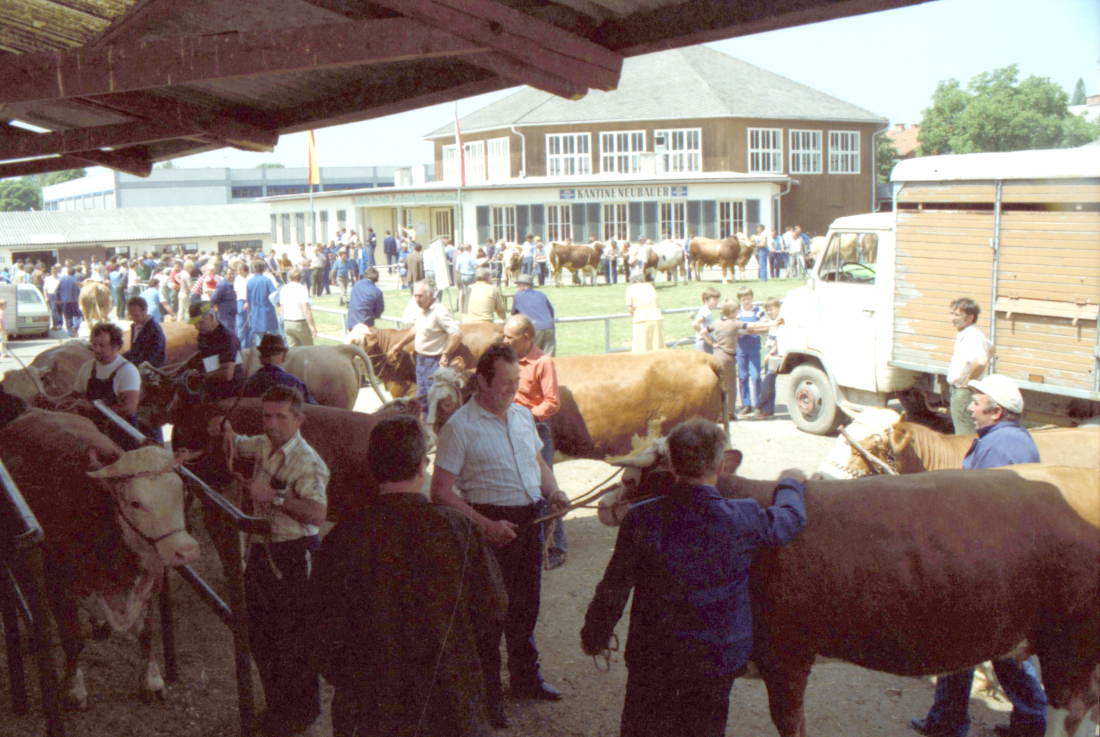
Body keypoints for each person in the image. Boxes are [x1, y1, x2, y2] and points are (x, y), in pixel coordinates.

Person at [581, 419, 807, 737]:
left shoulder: (641, 519)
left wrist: (595, 635)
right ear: (720, 465)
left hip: (653, 655)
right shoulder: (745, 516)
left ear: (672, 464)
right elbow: (791, 518)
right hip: (715, 661)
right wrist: (790, 482)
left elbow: (614, 588)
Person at [310, 415, 507, 736]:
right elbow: (493, 609)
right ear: (422, 466)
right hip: (451, 703)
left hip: (371, 709)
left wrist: (354, 680)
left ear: (372, 467)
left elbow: (322, 629)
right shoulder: (458, 530)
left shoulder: (341, 539)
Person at [430, 343, 571, 726]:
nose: (513, 389)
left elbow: (538, 463)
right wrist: (485, 526)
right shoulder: (459, 427)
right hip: (487, 529)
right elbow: (440, 493)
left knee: (526, 608)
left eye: (516, 381)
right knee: (489, 615)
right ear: (481, 381)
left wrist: (554, 492)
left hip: (529, 523)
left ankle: (526, 679)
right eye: (505, 383)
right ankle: (488, 694)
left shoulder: (524, 416)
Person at [909, 374, 1046, 737]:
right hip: (996, 564)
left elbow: (987, 512)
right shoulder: (1004, 439)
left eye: (976, 401)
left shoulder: (1001, 448)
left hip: (990, 569)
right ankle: (1015, 722)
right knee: (978, 648)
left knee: (983, 649)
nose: (969, 406)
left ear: (996, 411)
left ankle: (1022, 722)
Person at [208, 386, 327, 737]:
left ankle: (301, 715)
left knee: (294, 638)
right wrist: (224, 429)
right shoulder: (262, 443)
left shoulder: (308, 461)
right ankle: (278, 706)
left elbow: (317, 514)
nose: (272, 423)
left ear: (299, 419)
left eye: (281, 416)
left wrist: (274, 498)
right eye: (267, 415)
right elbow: (239, 440)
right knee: (259, 633)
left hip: (294, 553)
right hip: (262, 550)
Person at [502, 314, 567, 569]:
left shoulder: (543, 362)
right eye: (503, 335)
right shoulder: (506, 359)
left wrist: (524, 416)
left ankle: (557, 546)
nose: (504, 340)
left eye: (510, 337)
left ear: (526, 337)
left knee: (544, 487)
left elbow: (552, 403)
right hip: (506, 426)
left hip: (536, 429)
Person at [387, 280, 461, 415]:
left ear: (431, 294)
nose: (417, 299)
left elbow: (456, 334)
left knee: (433, 399)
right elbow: (416, 329)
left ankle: (433, 429)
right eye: (415, 295)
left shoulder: (440, 311)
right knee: (422, 397)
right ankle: (425, 428)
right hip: (421, 361)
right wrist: (400, 344)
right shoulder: (422, 309)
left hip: (434, 362)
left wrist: (445, 354)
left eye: (420, 295)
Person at [70, 323, 142, 444]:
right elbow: (75, 395)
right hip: (91, 434)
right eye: (94, 344)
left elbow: (130, 409)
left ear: (116, 346)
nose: (97, 350)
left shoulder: (127, 371)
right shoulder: (87, 367)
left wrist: (94, 409)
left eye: (102, 345)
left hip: (120, 438)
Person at [711, 298, 773, 419]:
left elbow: (703, 331)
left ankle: (717, 411)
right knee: (731, 386)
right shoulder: (734, 323)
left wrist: (712, 343)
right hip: (728, 357)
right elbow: (753, 325)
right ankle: (729, 413)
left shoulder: (717, 322)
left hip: (717, 354)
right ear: (732, 312)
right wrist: (772, 323)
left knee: (719, 385)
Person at [946, 297, 993, 435]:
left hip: (963, 393)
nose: (952, 318)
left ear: (970, 317)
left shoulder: (971, 336)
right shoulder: (971, 334)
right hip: (961, 391)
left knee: (964, 435)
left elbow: (981, 360)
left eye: (957, 315)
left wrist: (969, 382)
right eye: (952, 314)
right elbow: (991, 349)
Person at [188, 301, 244, 401]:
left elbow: (227, 374)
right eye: (194, 323)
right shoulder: (202, 335)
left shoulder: (227, 338)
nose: (196, 327)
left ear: (211, 317)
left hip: (228, 391)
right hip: (210, 385)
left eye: (200, 322)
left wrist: (201, 376)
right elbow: (206, 360)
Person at [241, 334, 318, 404]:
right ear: (284, 356)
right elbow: (313, 409)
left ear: (260, 359)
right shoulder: (294, 383)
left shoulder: (250, 383)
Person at [735, 286, 766, 417]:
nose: (746, 301)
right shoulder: (736, 313)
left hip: (753, 347)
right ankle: (746, 404)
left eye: (748, 298)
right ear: (740, 300)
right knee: (742, 377)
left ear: (751, 298)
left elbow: (764, 327)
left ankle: (758, 404)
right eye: (743, 299)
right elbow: (732, 328)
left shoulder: (759, 311)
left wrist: (754, 330)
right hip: (741, 347)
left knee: (756, 376)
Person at [511, 273, 556, 356]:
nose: (517, 288)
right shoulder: (541, 294)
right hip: (549, 327)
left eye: (517, 286)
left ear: (522, 286)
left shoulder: (517, 295)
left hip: (535, 329)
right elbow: (551, 312)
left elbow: (514, 315)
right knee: (549, 358)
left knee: (532, 357)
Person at [755, 297, 783, 418]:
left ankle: (759, 405)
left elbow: (780, 339)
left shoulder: (781, 320)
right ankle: (768, 409)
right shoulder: (772, 320)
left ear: (778, 308)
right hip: (769, 350)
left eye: (772, 309)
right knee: (770, 382)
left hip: (774, 352)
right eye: (768, 310)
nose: (770, 312)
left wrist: (770, 353)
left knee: (768, 381)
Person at [276, 268, 316, 347]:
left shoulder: (284, 288)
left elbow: (281, 308)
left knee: (293, 352)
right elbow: (306, 309)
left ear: (289, 277)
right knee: (309, 350)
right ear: (300, 277)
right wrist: (312, 326)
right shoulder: (302, 288)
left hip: (287, 323)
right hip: (299, 323)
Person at [124, 297, 166, 369]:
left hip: (151, 370)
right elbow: (134, 350)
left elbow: (153, 356)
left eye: (136, 315)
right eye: (131, 315)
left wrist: (131, 364)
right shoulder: (135, 326)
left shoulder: (155, 329)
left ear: (145, 310)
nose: (133, 318)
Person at [626, 273, 664, 352]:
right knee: (657, 345)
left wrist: (633, 311)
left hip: (641, 318)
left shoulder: (630, 288)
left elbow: (630, 309)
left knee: (641, 347)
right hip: (656, 317)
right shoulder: (650, 286)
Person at [247, 260, 280, 346]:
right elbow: (274, 295)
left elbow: (248, 299)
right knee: (275, 336)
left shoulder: (249, 281)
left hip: (255, 312)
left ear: (253, 269)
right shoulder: (267, 280)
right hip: (268, 311)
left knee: (259, 341)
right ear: (264, 269)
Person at [692, 287, 720, 354]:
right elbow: (695, 324)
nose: (717, 302)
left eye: (717, 299)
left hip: (702, 341)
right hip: (703, 343)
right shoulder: (707, 312)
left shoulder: (703, 309)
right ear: (706, 300)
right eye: (714, 299)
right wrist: (706, 338)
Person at [57, 266, 82, 338]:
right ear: (74, 272)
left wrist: (58, 299)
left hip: (65, 301)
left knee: (68, 317)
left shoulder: (62, 279)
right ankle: (76, 326)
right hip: (75, 300)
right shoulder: (76, 279)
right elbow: (80, 289)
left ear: (67, 272)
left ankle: (71, 333)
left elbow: (57, 290)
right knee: (77, 316)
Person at [455, 244, 478, 314]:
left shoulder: (460, 256)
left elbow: (457, 269)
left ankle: (464, 308)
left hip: (463, 276)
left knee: (465, 292)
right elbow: (475, 266)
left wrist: (462, 273)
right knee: (472, 292)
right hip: (470, 275)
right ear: (469, 248)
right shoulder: (471, 256)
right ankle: (472, 308)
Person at [44, 265, 63, 330]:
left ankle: (60, 324)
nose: (54, 273)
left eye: (55, 271)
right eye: (53, 272)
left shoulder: (60, 278)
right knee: (53, 309)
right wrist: (46, 297)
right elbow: (45, 288)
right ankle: (55, 324)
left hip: (59, 295)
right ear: (51, 272)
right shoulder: (48, 278)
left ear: (57, 271)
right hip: (51, 295)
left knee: (59, 309)